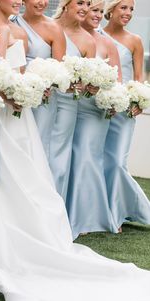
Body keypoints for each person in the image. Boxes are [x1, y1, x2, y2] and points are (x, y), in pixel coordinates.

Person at [0, 0, 150, 301]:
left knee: (31, 167)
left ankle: (51, 223)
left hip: (28, 105)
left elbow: (43, 71)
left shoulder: (14, 30)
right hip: (11, 105)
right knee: (12, 168)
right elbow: (8, 70)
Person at [66, 0, 122, 239]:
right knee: (67, 158)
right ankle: (67, 212)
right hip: (68, 105)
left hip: (94, 110)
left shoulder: (107, 43)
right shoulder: (68, 36)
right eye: (93, 10)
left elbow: (117, 81)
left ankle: (87, 215)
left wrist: (110, 99)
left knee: (86, 156)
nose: (98, 15)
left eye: (100, 11)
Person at [102, 0, 150, 231]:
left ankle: (116, 212)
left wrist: (140, 99)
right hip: (97, 108)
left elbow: (139, 75)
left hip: (124, 110)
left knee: (116, 162)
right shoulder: (96, 34)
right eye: (123, 8)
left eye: (131, 9)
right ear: (110, 10)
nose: (129, 13)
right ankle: (98, 210)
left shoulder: (135, 41)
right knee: (96, 160)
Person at [51, 0, 95, 202]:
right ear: (66, 4)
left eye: (88, 4)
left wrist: (90, 85)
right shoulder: (47, 26)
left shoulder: (88, 41)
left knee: (58, 157)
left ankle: (56, 212)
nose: (85, 8)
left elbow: (87, 83)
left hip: (68, 103)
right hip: (40, 100)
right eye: (80, 2)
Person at [14, 0, 66, 159]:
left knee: (39, 148)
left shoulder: (54, 28)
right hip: (15, 95)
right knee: (17, 146)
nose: (42, 2)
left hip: (43, 99)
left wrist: (47, 85)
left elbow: (59, 69)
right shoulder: (11, 23)